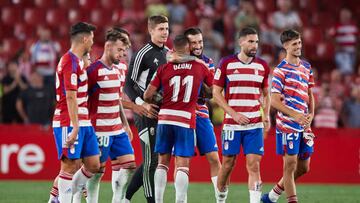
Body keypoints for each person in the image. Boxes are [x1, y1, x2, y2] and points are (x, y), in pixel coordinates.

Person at [144, 34, 213, 203]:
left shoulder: (164, 68)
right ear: (189, 48)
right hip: (185, 119)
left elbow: (147, 96)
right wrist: (199, 86)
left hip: (165, 118)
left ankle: (158, 201)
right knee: (182, 164)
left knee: (162, 162)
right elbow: (212, 93)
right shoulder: (200, 66)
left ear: (173, 49)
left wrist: (161, 99)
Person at [213, 27, 270, 203]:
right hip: (232, 124)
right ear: (241, 42)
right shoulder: (226, 63)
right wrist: (234, 114)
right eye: (251, 41)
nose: (255, 45)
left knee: (254, 165)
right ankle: (220, 199)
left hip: (254, 124)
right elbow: (216, 93)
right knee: (228, 164)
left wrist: (266, 116)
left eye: (257, 42)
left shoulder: (262, 66)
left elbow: (267, 94)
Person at [261, 29, 315, 203]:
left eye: (299, 42)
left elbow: (309, 93)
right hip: (287, 125)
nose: (298, 47)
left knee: (304, 167)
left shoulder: (306, 66)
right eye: (294, 44)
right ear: (285, 46)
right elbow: (275, 102)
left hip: (304, 124)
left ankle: (272, 196)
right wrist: (295, 115)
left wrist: (311, 114)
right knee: (290, 165)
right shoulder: (279, 71)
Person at [168, 27, 221, 200]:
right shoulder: (173, 57)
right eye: (194, 42)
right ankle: (180, 199)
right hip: (180, 114)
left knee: (214, 158)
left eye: (200, 42)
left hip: (201, 113)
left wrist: (200, 75)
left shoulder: (208, 62)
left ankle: (220, 199)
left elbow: (211, 92)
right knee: (182, 160)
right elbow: (169, 58)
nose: (198, 46)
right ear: (186, 44)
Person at [85, 28, 136, 203]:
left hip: (117, 128)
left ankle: (118, 200)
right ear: (108, 47)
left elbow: (118, 98)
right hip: (99, 129)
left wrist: (125, 124)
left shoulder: (122, 69)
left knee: (129, 166)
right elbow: (82, 100)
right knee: (97, 172)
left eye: (124, 51)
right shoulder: (92, 71)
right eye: (120, 50)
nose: (123, 54)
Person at [51, 22, 100, 203]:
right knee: (69, 167)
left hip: (84, 121)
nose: (93, 43)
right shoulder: (69, 61)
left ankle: (61, 197)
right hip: (68, 121)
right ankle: (62, 200)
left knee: (94, 165)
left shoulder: (79, 62)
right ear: (85, 39)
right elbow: (70, 97)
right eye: (92, 39)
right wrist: (75, 126)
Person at [124, 15, 169, 203]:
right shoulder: (143, 53)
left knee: (153, 160)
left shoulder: (169, 52)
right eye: (160, 29)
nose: (165, 32)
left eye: (167, 29)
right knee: (151, 162)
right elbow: (128, 84)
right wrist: (141, 104)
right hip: (145, 112)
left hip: (161, 112)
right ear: (151, 31)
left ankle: (125, 198)